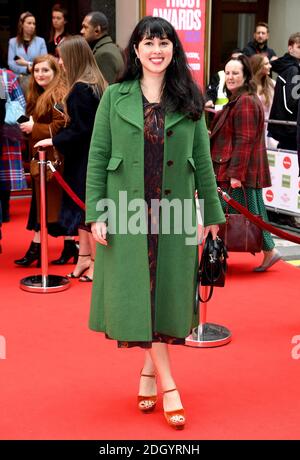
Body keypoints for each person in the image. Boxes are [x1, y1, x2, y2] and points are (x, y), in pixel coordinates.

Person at [85, 16, 225, 430]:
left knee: (161, 299)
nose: (156, 50)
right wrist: (96, 212)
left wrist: (213, 216)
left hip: (174, 214)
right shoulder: (114, 96)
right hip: (126, 214)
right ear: (136, 50)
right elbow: (97, 158)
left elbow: (202, 162)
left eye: (164, 43)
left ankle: (148, 373)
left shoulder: (190, 99)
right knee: (138, 296)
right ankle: (168, 384)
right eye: (148, 42)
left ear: (174, 50)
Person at [34, 36, 106, 282]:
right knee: (81, 210)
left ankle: (96, 262)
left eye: (62, 56)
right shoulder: (93, 83)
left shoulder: (81, 89)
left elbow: (82, 129)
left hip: (85, 158)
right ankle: (84, 258)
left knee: (86, 209)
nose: (60, 61)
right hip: (87, 156)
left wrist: (54, 140)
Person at [210, 54, 281, 272]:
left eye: (235, 73)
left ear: (245, 76)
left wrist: (235, 175)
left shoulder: (246, 102)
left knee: (234, 213)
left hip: (238, 172)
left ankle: (220, 253)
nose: (230, 77)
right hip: (239, 171)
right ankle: (269, 251)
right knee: (252, 212)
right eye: (228, 73)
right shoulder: (240, 99)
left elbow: (244, 141)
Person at [14, 54, 68, 267]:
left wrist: (33, 128)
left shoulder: (58, 94)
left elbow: (61, 125)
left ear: (55, 72)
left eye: (45, 70)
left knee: (53, 206)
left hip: (54, 160)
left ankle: (43, 248)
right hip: (42, 158)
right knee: (42, 206)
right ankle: (60, 247)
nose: (40, 74)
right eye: (36, 70)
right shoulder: (37, 93)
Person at [0, 68, 26, 223]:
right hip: (7, 129)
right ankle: (5, 211)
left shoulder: (4, 77)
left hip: (5, 129)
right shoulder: (6, 76)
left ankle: (4, 212)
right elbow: (21, 104)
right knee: (4, 174)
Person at [268, 32, 300, 151]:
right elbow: (291, 102)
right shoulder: (293, 69)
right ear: (290, 48)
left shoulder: (287, 66)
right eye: (299, 47)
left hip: (285, 128)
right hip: (290, 129)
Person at [8, 11, 47, 94]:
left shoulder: (41, 41)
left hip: (36, 79)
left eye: (34, 24)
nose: (32, 26)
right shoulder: (13, 42)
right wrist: (26, 69)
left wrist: (26, 63)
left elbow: (44, 62)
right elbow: (11, 63)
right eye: (29, 23)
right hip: (17, 80)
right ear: (22, 24)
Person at [80, 11, 124, 84]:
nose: (81, 31)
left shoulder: (104, 54)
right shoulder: (109, 47)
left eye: (85, 27)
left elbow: (106, 91)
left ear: (97, 30)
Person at [250, 54, 277, 149]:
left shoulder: (273, 85)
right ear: (258, 66)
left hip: (268, 130)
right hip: (251, 128)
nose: (270, 66)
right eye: (266, 64)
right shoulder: (247, 86)